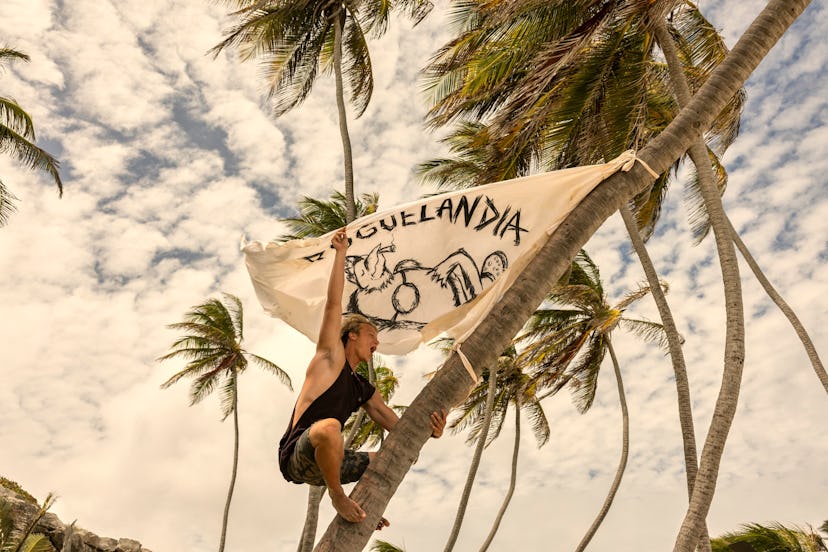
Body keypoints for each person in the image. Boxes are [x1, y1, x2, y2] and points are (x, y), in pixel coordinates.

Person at [278, 227, 448, 526]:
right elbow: (333, 305)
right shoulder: (329, 358)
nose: (377, 342)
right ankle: (338, 497)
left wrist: (431, 432)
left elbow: (399, 428)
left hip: (333, 462)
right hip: (299, 456)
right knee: (330, 428)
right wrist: (341, 253)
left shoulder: (362, 389)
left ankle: (368, 504)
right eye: (372, 335)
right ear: (352, 335)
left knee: (400, 454)